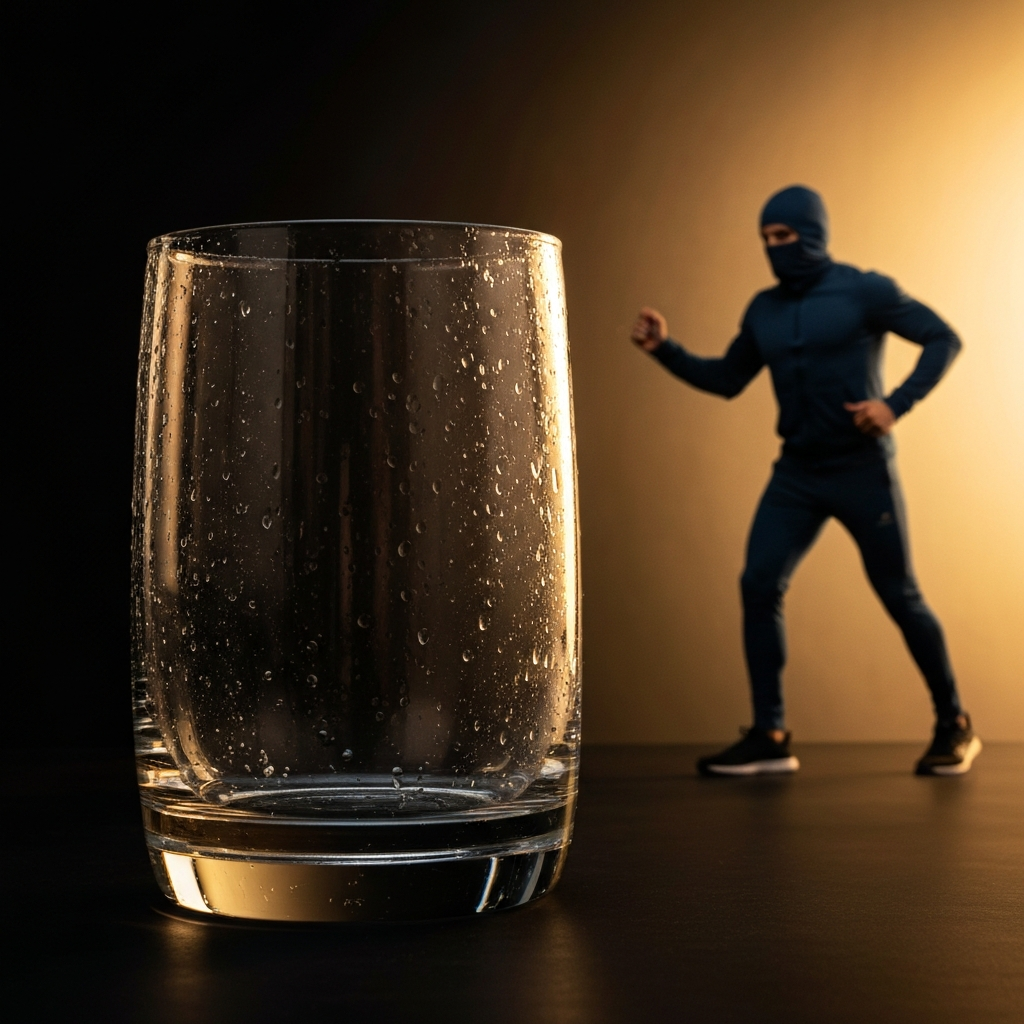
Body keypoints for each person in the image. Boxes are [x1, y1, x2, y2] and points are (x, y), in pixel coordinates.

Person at [632, 185, 981, 778]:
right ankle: (771, 735)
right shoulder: (763, 309)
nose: (774, 248)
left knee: (901, 595)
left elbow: (944, 338)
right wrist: (665, 350)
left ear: (812, 233)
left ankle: (955, 725)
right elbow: (726, 379)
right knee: (759, 582)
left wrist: (895, 404)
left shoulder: (863, 289)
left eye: (784, 236)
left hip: (861, 470)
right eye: (765, 239)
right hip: (797, 473)